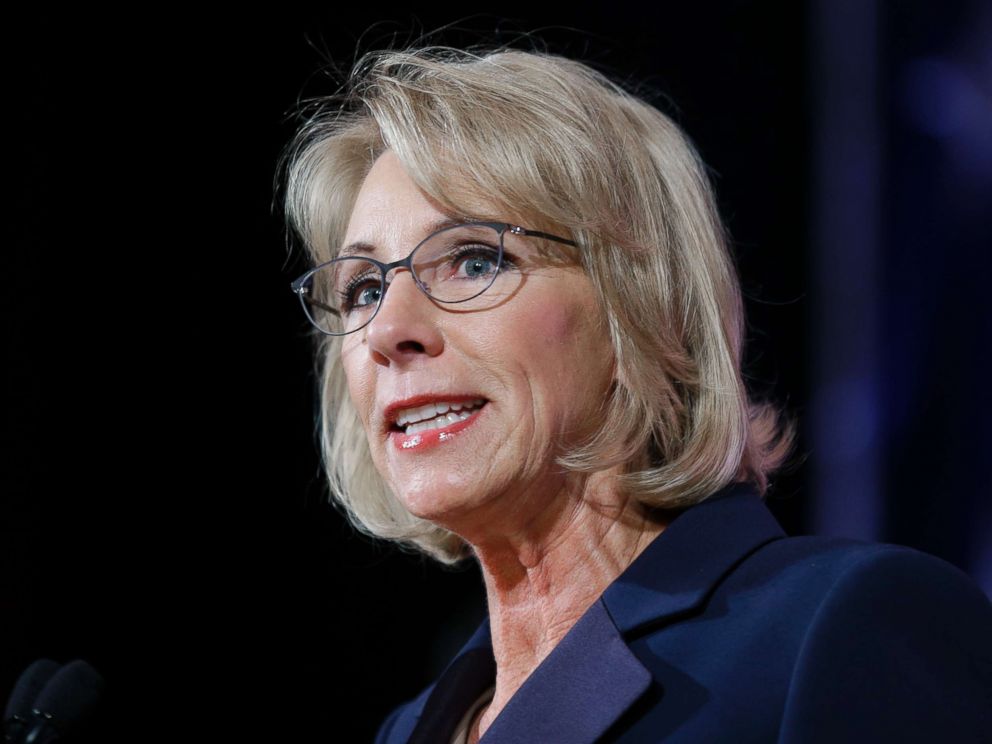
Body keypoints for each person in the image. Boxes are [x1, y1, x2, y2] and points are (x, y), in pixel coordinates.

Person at [282, 47, 992, 743]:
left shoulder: (845, 629)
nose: (388, 331)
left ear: (638, 309)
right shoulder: (410, 729)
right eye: (364, 289)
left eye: (473, 260)